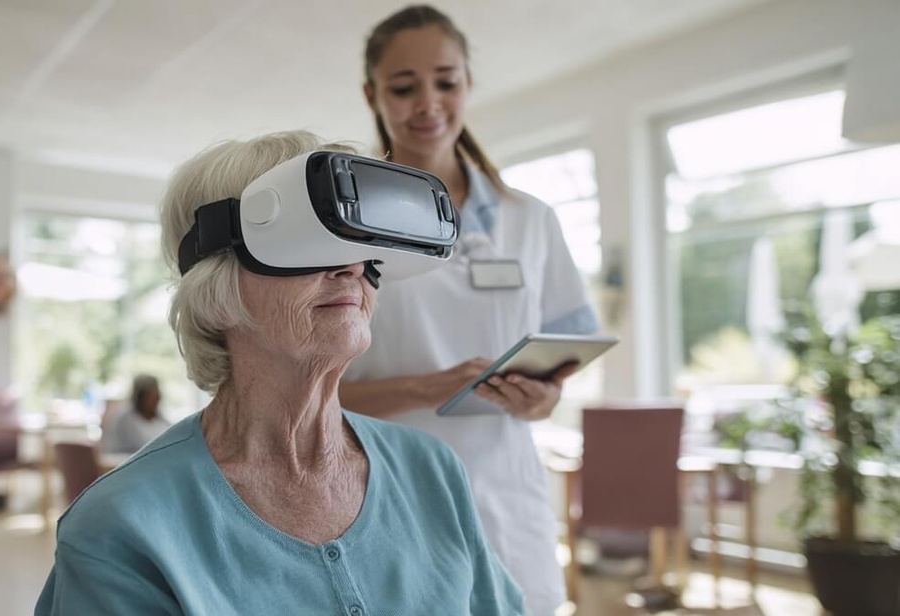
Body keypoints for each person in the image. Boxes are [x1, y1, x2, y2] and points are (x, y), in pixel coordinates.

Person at [35, 131, 524, 615]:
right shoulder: (121, 527)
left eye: (362, 244)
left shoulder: (431, 470)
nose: (353, 267)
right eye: (310, 242)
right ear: (215, 286)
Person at [339, 6, 600, 615]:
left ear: (468, 85)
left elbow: (557, 365)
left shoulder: (530, 220)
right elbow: (317, 394)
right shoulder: (348, 227)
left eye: (446, 81)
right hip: (386, 491)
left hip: (508, 496)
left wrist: (544, 399)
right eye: (403, 87)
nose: (427, 102)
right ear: (371, 94)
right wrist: (432, 386)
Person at [99, 374, 171, 455]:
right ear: (141, 398)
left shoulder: (160, 419)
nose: (155, 403)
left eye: (157, 398)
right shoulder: (126, 420)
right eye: (151, 398)